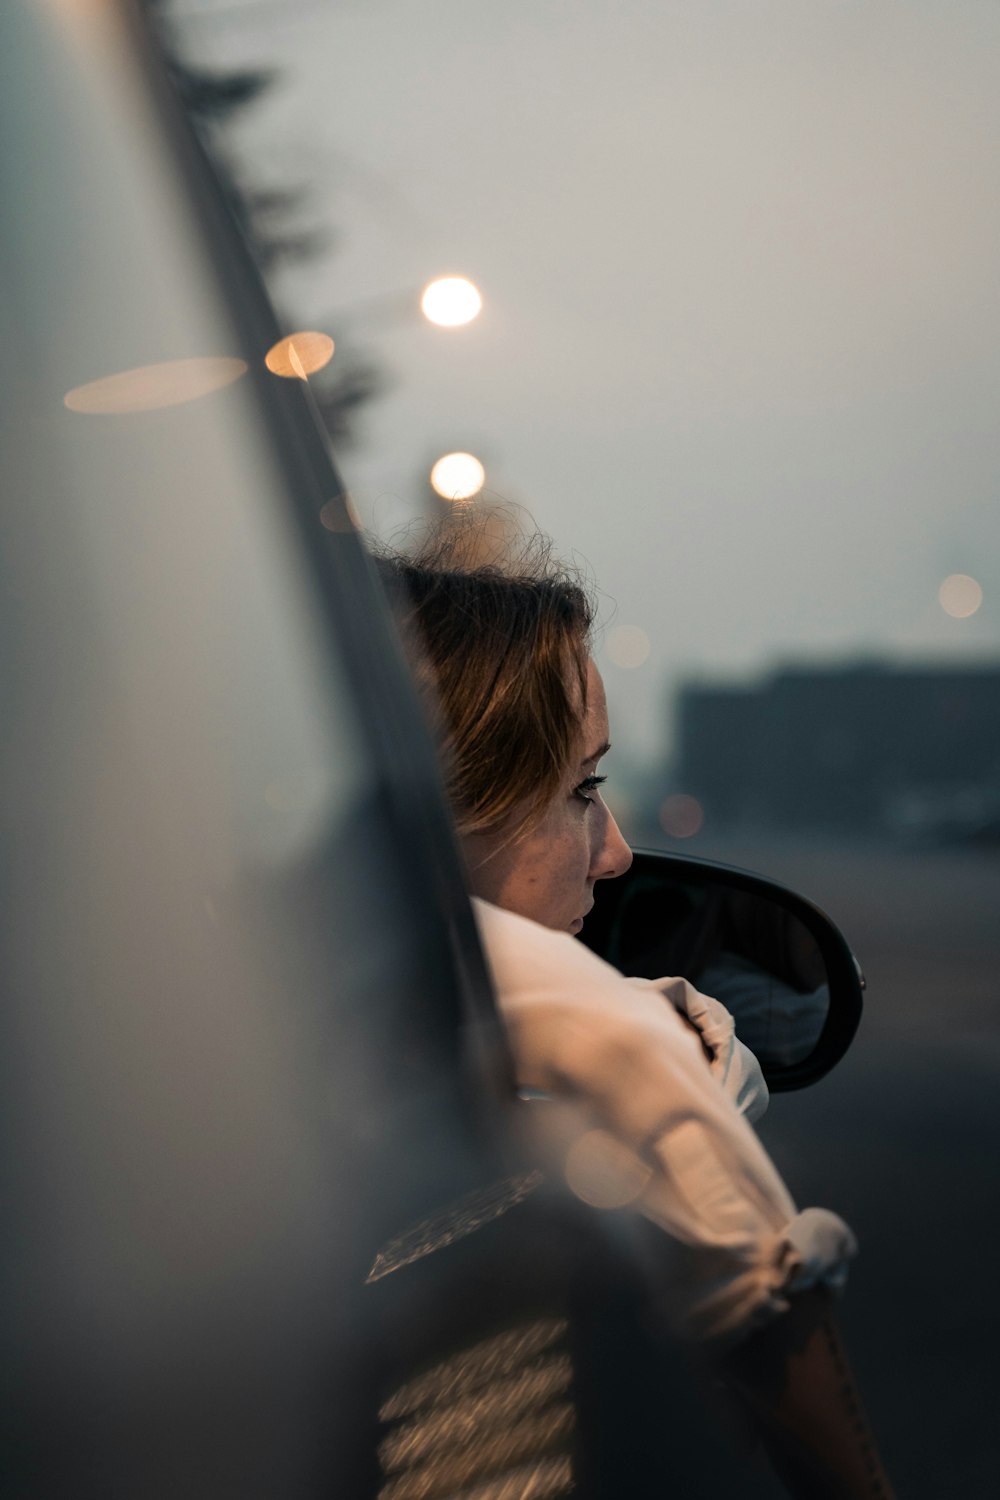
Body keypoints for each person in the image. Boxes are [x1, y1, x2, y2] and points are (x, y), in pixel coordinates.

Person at [375, 522, 896, 1499]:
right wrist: (647, 1069)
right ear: (449, 811)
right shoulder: (585, 1018)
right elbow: (762, 1304)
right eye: (581, 789)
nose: (613, 856)